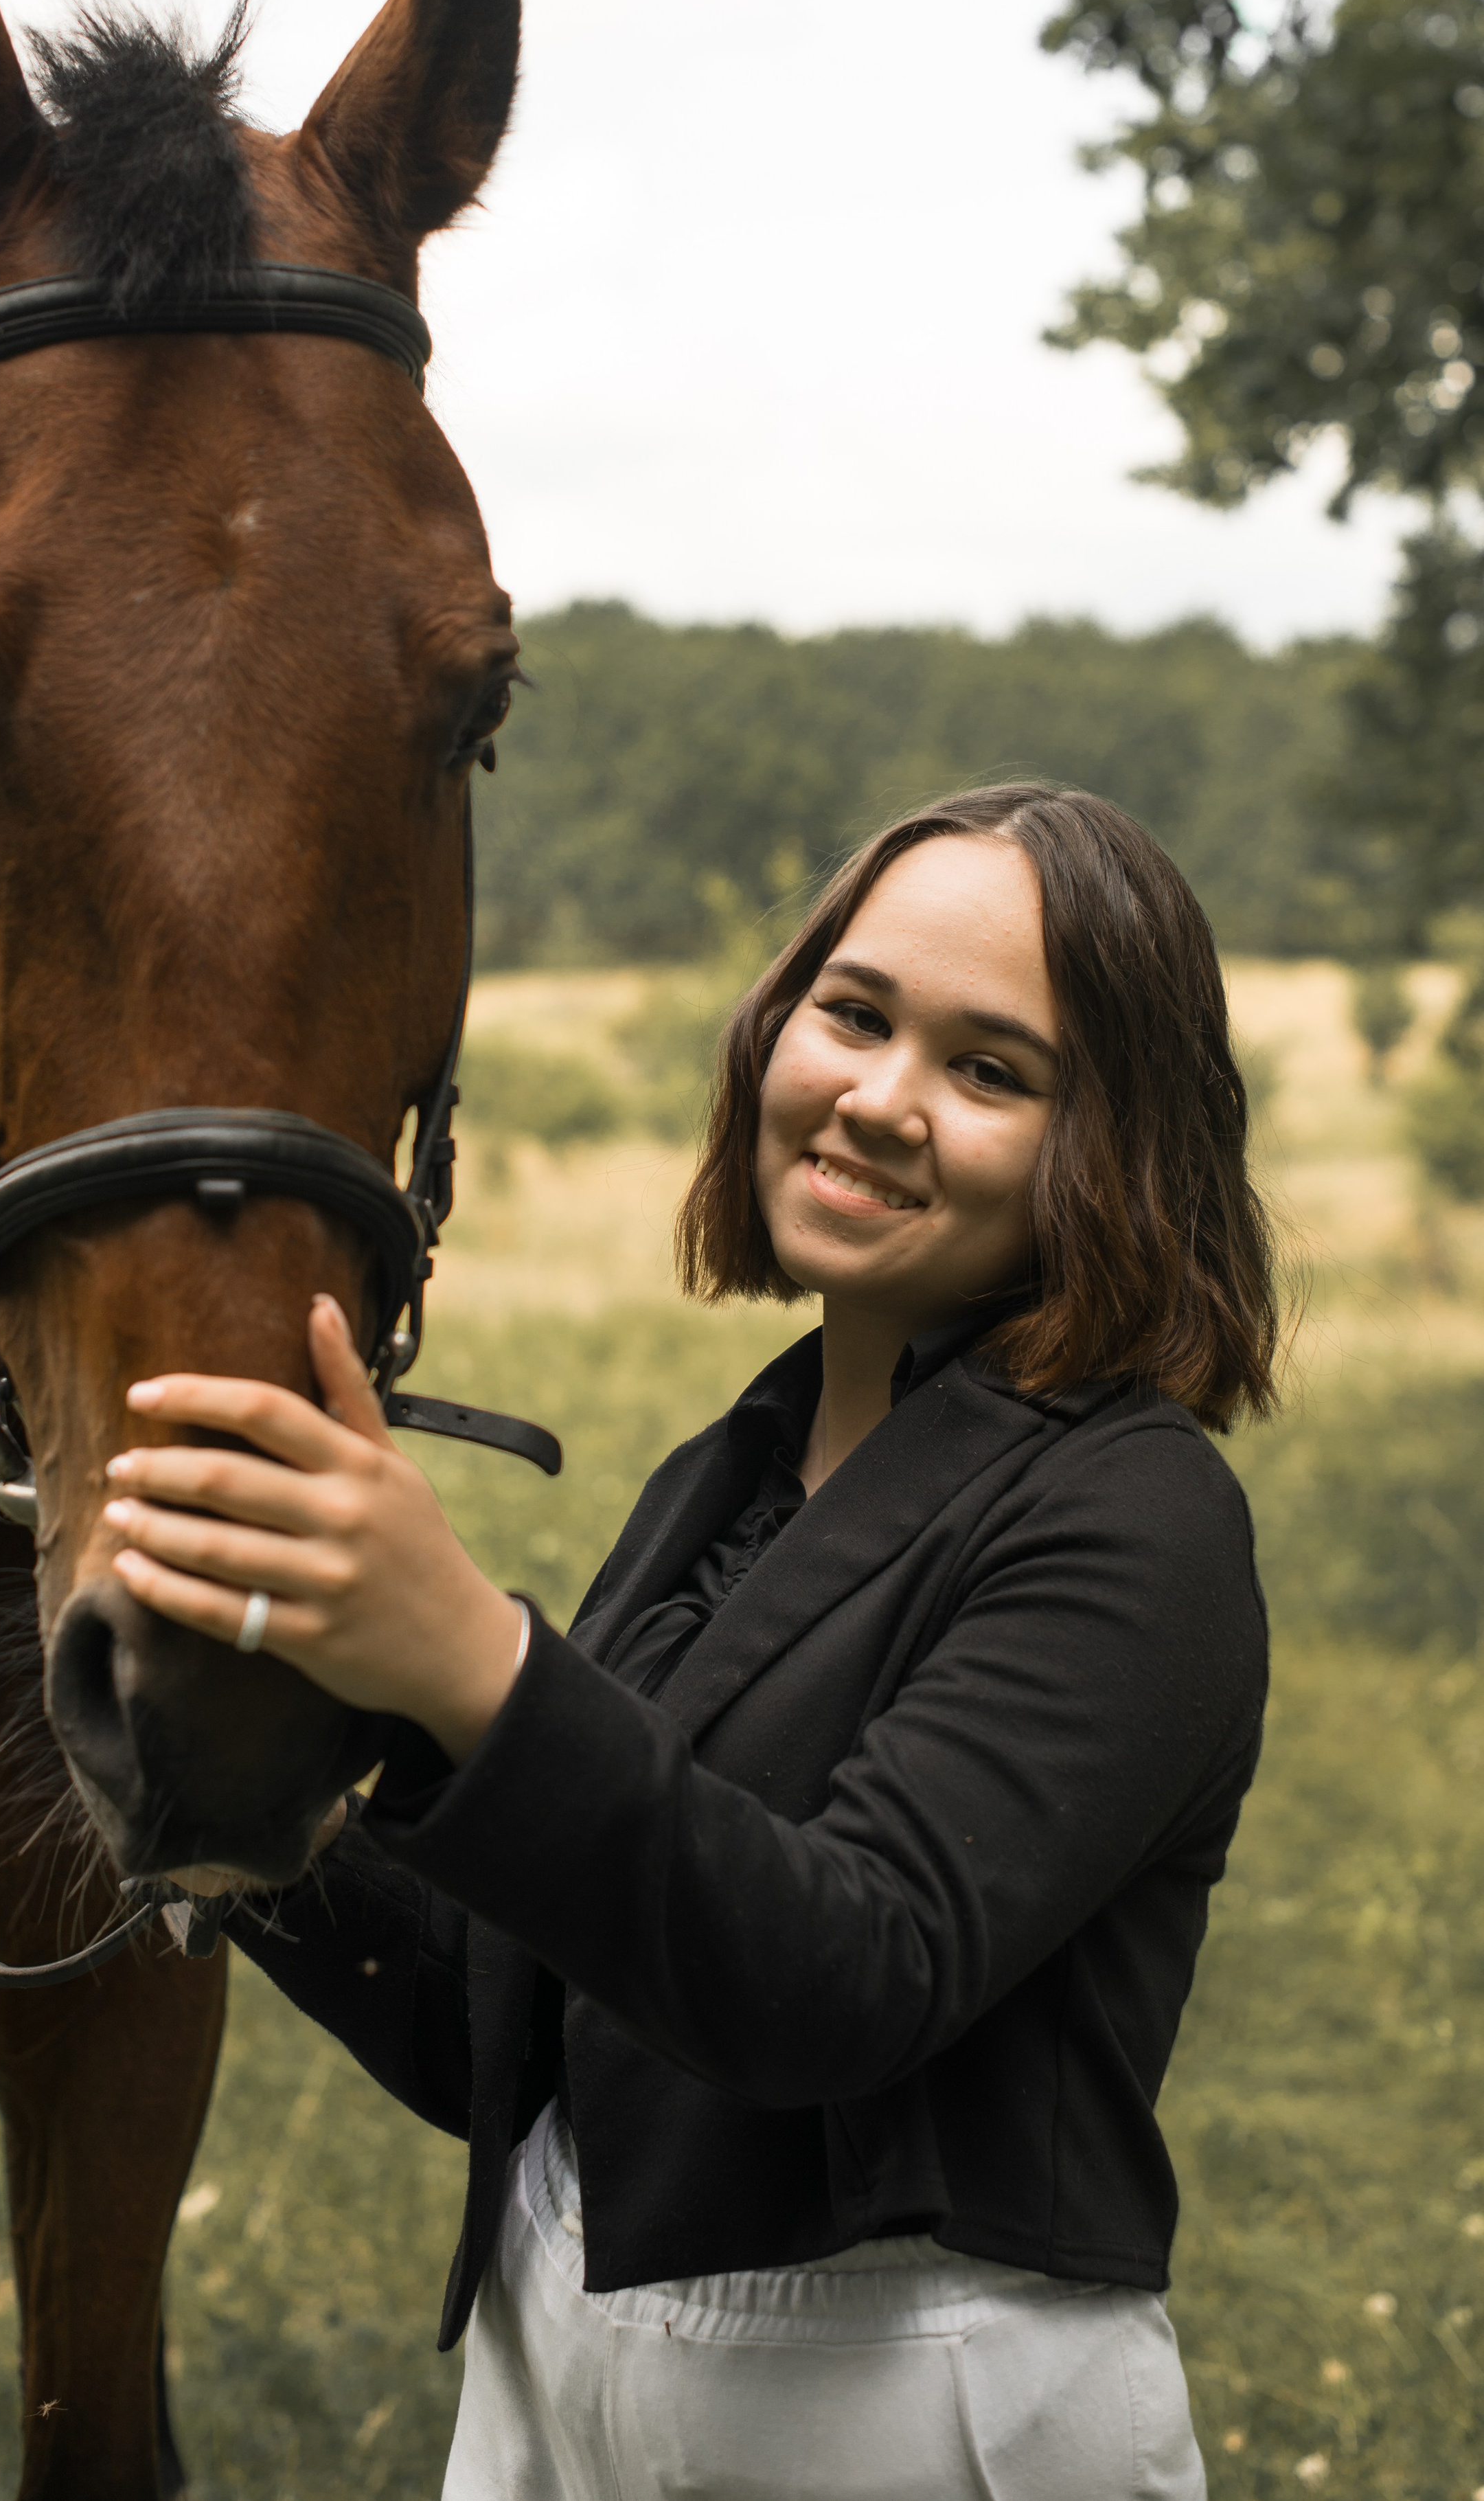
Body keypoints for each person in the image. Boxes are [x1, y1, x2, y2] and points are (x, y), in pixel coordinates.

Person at [102, 782, 1276, 2501]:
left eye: (987, 1069)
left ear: (1117, 1149)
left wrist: (469, 1656)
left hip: (911, 2409)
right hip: (550, 2361)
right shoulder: (734, 1471)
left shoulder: (1136, 1515)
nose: (877, 1098)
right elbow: (495, 2025)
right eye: (853, 1014)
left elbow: (840, 1979)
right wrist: (224, 1750)